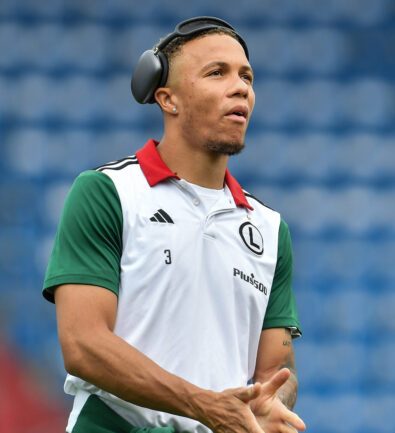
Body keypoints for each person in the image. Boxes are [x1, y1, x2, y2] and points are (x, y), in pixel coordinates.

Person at [43, 17, 305, 433]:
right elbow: (83, 345)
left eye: (247, 77)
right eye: (217, 73)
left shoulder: (271, 230)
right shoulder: (107, 192)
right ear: (168, 99)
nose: (241, 87)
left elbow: (276, 367)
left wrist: (270, 402)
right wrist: (202, 405)